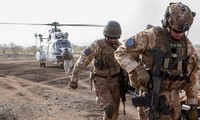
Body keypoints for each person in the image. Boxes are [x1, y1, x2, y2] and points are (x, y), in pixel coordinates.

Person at [114, 2, 199, 120]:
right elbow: (121, 53)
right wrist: (138, 69)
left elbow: (192, 76)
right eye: (176, 31)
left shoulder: (187, 45)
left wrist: (193, 105)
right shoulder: (150, 36)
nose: (180, 35)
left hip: (174, 98)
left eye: (183, 32)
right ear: (167, 22)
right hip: (152, 95)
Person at [69, 20, 122, 120]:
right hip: (101, 81)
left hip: (116, 82)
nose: (113, 40)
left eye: (116, 38)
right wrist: (74, 79)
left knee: (115, 114)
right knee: (109, 109)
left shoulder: (120, 47)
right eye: (111, 37)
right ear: (105, 34)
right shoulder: (97, 45)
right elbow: (82, 61)